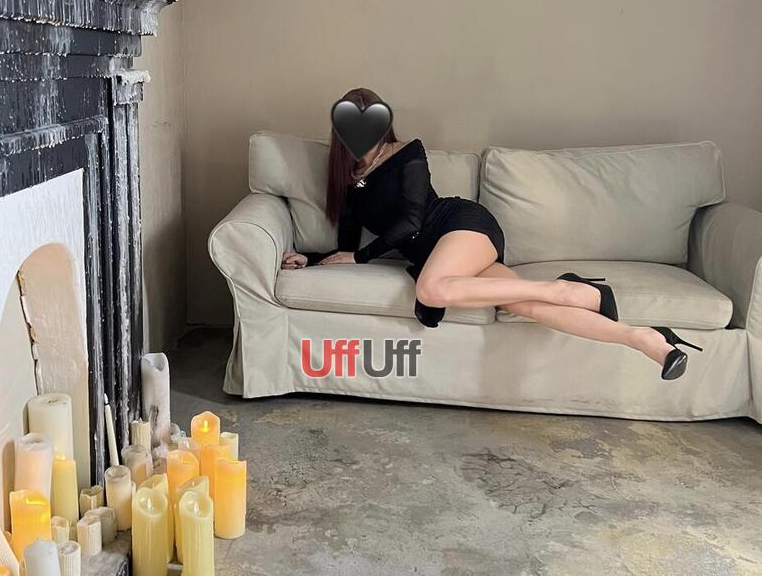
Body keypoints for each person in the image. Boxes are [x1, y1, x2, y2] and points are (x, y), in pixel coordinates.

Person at [281, 88, 701, 380]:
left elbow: (411, 220)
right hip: (437, 254)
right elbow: (347, 245)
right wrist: (313, 259)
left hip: (459, 227)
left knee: (431, 289)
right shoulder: (349, 180)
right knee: (526, 306)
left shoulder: (408, 152)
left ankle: (565, 289)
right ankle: (646, 339)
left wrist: (362, 257)